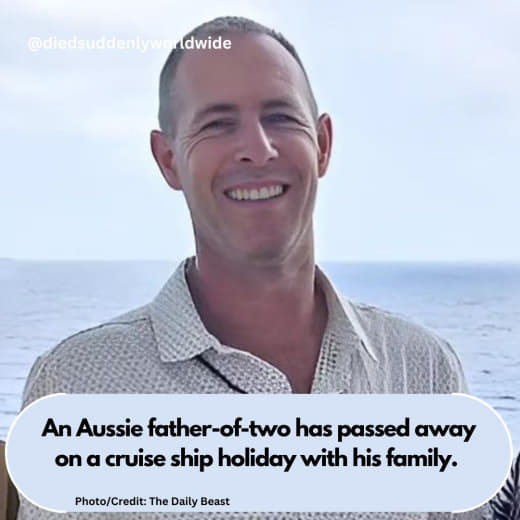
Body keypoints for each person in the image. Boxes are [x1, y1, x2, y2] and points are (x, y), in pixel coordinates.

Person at [17, 16, 489, 520]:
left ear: (323, 143)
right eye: (218, 124)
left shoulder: (423, 371)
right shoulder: (77, 386)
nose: (258, 149)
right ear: (168, 160)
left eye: (280, 116)